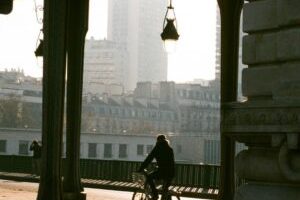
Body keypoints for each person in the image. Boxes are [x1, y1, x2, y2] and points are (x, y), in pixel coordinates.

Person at [138, 134, 175, 200]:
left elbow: (148, 159)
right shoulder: (169, 149)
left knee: (149, 177)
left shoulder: (157, 148)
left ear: (158, 141)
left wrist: (141, 168)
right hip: (171, 172)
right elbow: (171, 162)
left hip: (162, 171)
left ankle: (155, 194)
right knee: (165, 189)